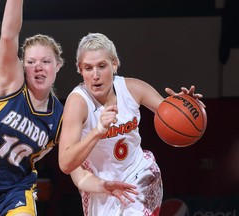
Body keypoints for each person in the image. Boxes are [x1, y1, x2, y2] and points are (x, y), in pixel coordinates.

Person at [0, 1, 138, 216]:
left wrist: (102, 185)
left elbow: (74, 169)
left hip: (12, 192)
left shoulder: (61, 117)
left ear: (58, 65)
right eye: (31, 62)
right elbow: (8, 36)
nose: (38, 66)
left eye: (46, 61)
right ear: (23, 67)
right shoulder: (10, 86)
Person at [58, 32, 205, 215]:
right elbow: (65, 163)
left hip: (139, 174)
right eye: (88, 68)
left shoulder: (133, 88)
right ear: (80, 69)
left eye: (101, 66)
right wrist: (98, 131)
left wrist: (188, 106)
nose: (95, 75)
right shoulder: (78, 102)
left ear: (114, 64)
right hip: (101, 185)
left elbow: (172, 115)